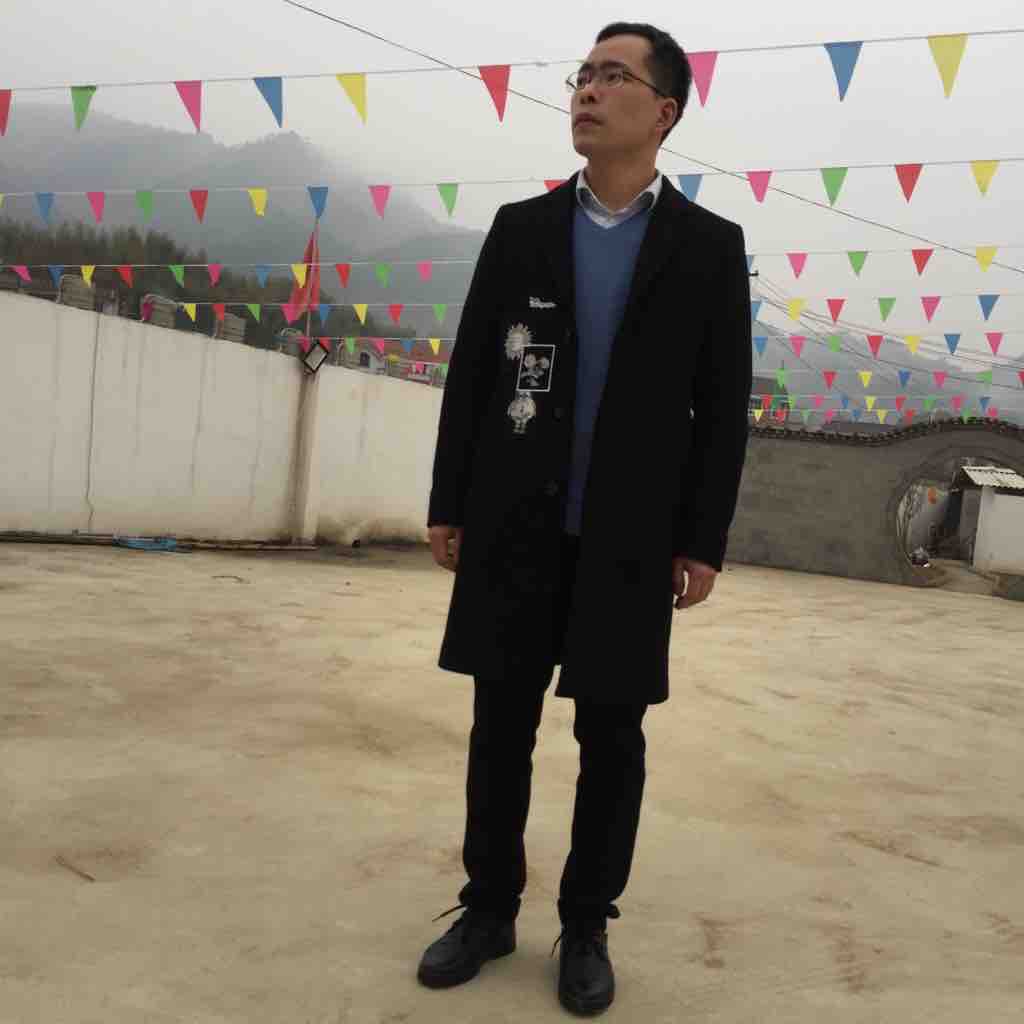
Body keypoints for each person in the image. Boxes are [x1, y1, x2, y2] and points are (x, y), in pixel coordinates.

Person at [419, 21, 752, 1015]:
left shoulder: (707, 247)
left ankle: (587, 922)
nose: (587, 92)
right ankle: (487, 908)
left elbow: (720, 408)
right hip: (513, 519)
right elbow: (472, 374)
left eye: (614, 76)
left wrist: (702, 538)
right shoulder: (522, 227)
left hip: (630, 537)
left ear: (664, 111)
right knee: (499, 726)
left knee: (612, 736)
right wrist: (449, 501)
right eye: (583, 75)